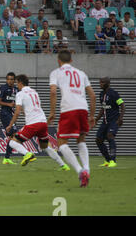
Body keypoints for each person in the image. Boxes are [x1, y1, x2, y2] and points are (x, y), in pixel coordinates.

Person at [48, 50, 96, 187]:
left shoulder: (56, 73)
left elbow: (52, 91)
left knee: (62, 142)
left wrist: (52, 112)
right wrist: (92, 115)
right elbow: (92, 95)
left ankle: (80, 171)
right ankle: (87, 169)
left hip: (69, 109)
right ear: (71, 60)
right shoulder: (81, 73)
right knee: (81, 140)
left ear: (58, 60)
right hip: (83, 109)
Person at [6, 74, 70, 169]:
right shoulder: (34, 92)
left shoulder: (20, 94)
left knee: (12, 142)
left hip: (33, 124)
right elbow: (32, 107)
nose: (17, 85)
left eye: (17, 83)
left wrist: (10, 125)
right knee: (45, 146)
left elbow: (17, 112)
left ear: (20, 82)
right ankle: (63, 165)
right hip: (42, 122)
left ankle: (27, 154)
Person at [95, 77, 125, 168]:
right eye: (100, 82)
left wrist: (120, 118)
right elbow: (103, 108)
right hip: (105, 121)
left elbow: (122, 105)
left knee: (110, 136)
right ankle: (107, 160)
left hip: (114, 120)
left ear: (107, 83)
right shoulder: (101, 94)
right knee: (98, 140)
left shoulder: (113, 93)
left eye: (102, 82)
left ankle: (113, 160)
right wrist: (96, 119)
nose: (100, 84)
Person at [0, 72, 18, 165]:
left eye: (12, 79)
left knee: (12, 135)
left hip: (12, 114)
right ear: (6, 80)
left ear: (14, 80)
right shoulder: (3, 88)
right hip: (5, 114)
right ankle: (7, 157)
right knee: (14, 133)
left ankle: (7, 158)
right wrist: (8, 104)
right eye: (8, 79)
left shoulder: (16, 90)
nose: (10, 81)